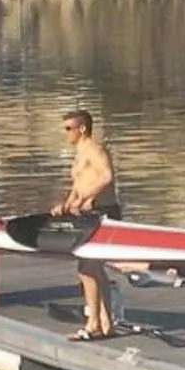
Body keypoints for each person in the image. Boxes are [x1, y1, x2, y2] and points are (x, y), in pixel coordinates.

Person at [54, 108, 122, 339]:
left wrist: (88, 198)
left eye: (68, 129)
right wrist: (66, 204)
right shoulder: (80, 153)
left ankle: (93, 324)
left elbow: (106, 176)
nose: (65, 134)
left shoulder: (95, 149)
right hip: (86, 213)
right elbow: (79, 184)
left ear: (82, 129)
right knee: (93, 269)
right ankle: (106, 323)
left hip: (102, 212)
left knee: (87, 269)